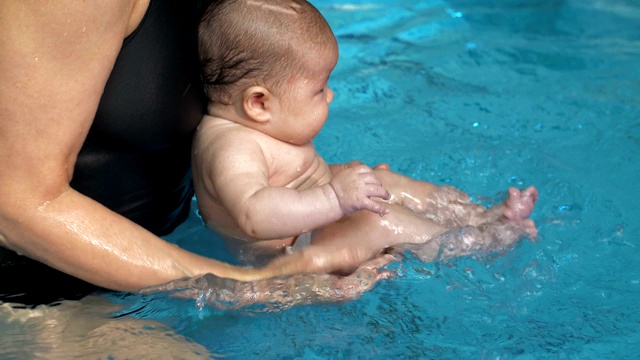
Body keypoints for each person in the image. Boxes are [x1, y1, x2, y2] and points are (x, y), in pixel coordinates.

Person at [0, 0, 361, 307]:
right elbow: (16, 205)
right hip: (33, 293)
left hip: (174, 244)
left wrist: (320, 185)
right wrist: (243, 285)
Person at [193, 0, 539, 276]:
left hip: (316, 226)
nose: (330, 95)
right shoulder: (230, 147)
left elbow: (289, 178)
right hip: (292, 254)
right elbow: (254, 214)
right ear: (259, 103)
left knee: (384, 180)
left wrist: (340, 177)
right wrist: (333, 196)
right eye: (319, 89)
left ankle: (480, 216)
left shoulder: (258, 127)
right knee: (377, 220)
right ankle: (477, 245)